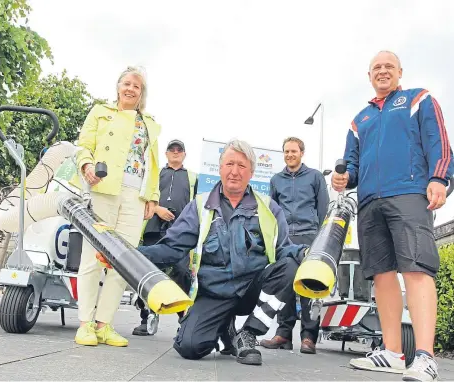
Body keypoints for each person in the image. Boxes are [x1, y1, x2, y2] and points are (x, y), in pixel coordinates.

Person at [332, 51, 453, 381]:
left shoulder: (418, 99)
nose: (382, 71)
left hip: (409, 194)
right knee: (382, 276)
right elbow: (352, 166)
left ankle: (425, 357)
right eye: (376, 68)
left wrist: (440, 178)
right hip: (370, 202)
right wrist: (344, 178)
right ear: (368, 76)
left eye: (388, 66)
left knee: (416, 268)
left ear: (400, 72)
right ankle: (393, 352)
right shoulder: (360, 120)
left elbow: (438, 141)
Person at [138, 139, 309, 366]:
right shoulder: (199, 207)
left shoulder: (268, 208)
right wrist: (133, 254)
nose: (234, 172)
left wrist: (307, 253)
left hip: (251, 290)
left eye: (241, 166)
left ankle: (249, 334)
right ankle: (224, 327)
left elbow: (284, 249)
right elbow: (171, 248)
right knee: (189, 347)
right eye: (229, 164)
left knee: (289, 266)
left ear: (251, 173)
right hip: (214, 292)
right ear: (220, 168)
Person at [70, 66, 161, 347]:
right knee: (92, 256)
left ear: (142, 93)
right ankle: (85, 323)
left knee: (124, 262)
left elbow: (153, 162)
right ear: (118, 86)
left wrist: (153, 196)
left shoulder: (150, 123)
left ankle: (104, 324)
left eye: (137, 86)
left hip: (135, 195)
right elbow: (84, 144)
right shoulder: (101, 111)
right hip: (104, 188)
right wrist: (86, 164)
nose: (131, 88)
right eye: (127, 83)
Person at [260, 137, 329, 354]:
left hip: (309, 236)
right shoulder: (276, 180)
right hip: (285, 239)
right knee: (286, 286)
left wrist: (319, 238)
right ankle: (283, 334)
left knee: (310, 286)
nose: (290, 155)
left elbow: (323, 208)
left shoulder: (315, 177)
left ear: (302, 153)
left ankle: (309, 338)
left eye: (293, 151)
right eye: (286, 151)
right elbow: (272, 210)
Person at [133, 139, 198, 336]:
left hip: (181, 233)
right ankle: (146, 317)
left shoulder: (193, 177)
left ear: (185, 154)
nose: (176, 152)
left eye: (180, 149)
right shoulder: (155, 174)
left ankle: (183, 320)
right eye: (172, 149)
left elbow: (197, 205)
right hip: (153, 228)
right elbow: (143, 198)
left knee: (181, 273)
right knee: (149, 272)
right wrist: (158, 209)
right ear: (166, 153)